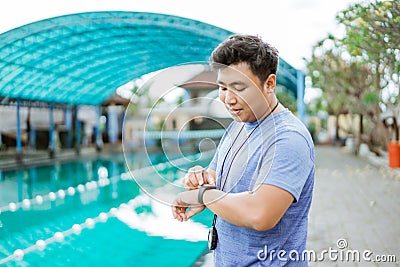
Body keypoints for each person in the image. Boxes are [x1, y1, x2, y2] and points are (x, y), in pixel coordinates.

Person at [171, 34, 315, 266]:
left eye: (238, 88)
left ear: (269, 83)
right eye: (222, 87)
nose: (228, 99)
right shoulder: (237, 128)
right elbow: (219, 182)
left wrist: (202, 196)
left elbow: (260, 214)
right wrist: (201, 179)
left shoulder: (288, 138)